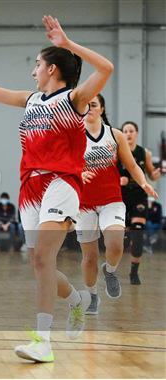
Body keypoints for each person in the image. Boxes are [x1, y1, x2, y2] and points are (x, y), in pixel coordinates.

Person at [0, 15, 114, 362]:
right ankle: (76, 299)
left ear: (53, 69)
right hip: (30, 187)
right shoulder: (31, 100)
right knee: (38, 263)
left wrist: (68, 44)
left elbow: (106, 68)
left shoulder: (75, 100)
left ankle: (42, 341)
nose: (33, 70)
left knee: (45, 258)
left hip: (62, 183)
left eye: (37, 64)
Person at [77, 95, 157, 315]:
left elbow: (131, 165)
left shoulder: (115, 135)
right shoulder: (73, 135)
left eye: (93, 104)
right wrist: (77, 172)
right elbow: (62, 165)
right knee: (89, 256)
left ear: (102, 108)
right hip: (83, 204)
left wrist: (143, 182)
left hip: (111, 200)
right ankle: (92, 295)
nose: (88, 108)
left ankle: (110, 271)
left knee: (115, 245)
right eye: (85, 104)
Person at [118, 121, 162, 284]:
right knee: (120, 240)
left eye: (131, 131)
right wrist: (118, 179)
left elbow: (151, 175)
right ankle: (111, 270)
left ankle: (134, 273)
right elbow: (107, 175)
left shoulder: (145, 153)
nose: (128, 134)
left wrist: (156, 174)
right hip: (119, 198)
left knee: (137, 235)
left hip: (138, 197)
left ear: (136, 133)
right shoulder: (116, 152)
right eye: (125, 131)